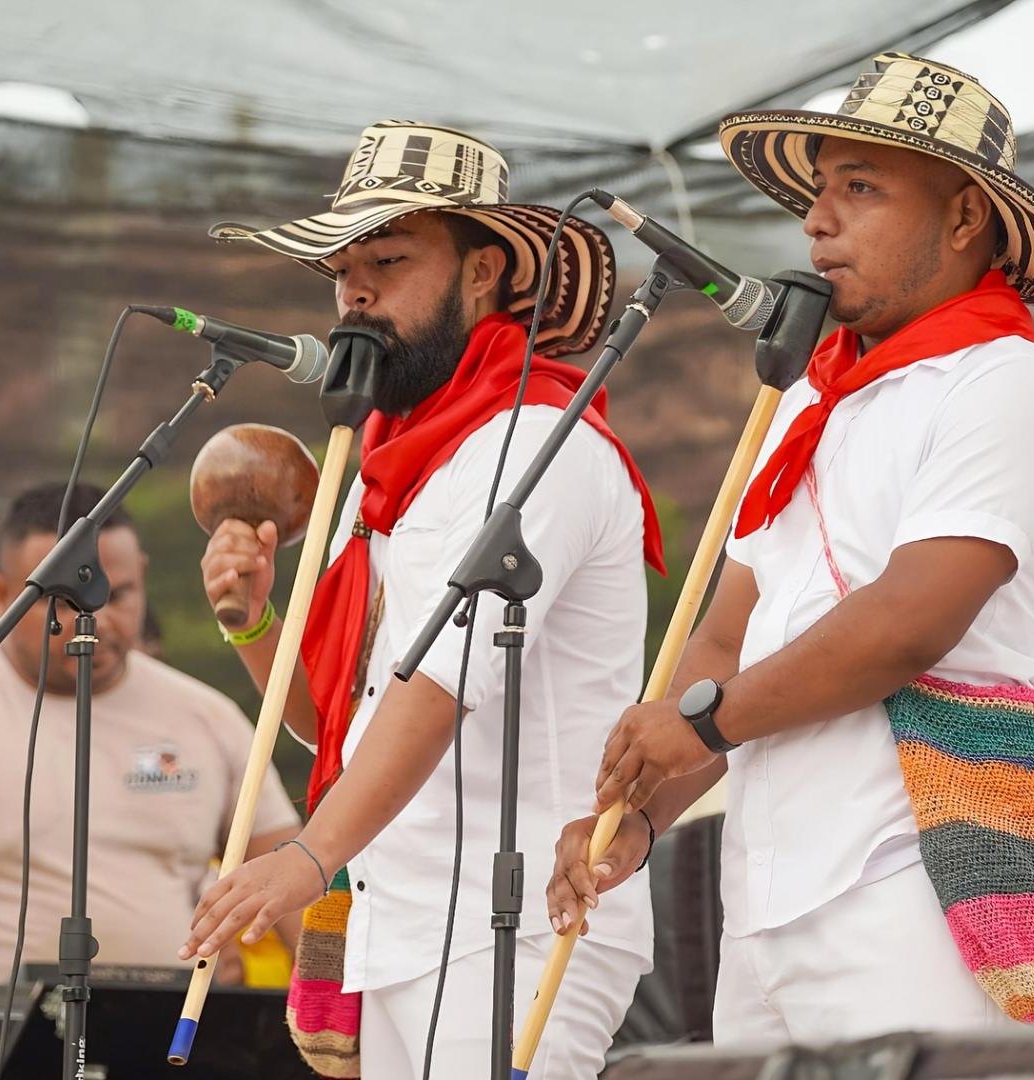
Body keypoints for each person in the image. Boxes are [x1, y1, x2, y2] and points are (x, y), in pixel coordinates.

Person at [547, 53, 1034, 1045]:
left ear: (966, 216)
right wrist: (642, 813)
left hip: (914, 891)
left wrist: (700, 726)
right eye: (819, 189)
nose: (816, 219)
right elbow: (725, 636)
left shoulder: (1009, 383)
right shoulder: (808, 393)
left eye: (860, 188)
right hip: (761, 906)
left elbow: (905, 625)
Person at [181, 121, 663, 1078]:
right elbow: (343, 729)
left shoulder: (530, 441)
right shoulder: (384, 467)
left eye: (389, 259)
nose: (354, 291)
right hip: (402, 923)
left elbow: (436, 689)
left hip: (519, 926)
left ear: (482, 273)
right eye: (341, 269)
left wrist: (308, 857)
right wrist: (257, 624)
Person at [0, 483, 301, 1006]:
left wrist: (335, 1021)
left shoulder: (208, 718)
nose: (94, 618)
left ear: (142, 575)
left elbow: (295, 888)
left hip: (178, 1046)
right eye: (60, 599)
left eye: (116, 594)